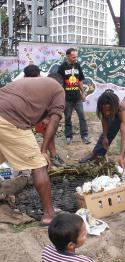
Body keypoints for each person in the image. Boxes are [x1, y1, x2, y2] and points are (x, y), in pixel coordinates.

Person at [0, 75, 65, 225]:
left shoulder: (35, 84)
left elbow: (42, 124)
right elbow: (54, 122)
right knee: (39, 165)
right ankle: (49, 215)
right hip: (11, 118)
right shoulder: (59, 90)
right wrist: (43, 151)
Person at [79, 89, 125, 168]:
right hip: (118, 108)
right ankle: (97, 153)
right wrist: (105, 137)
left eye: (109, 110)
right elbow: (105, 119)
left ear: (114, 107)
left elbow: (124, 133)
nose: (107, 113)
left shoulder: (122, 107)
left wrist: (121, 155)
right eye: (104, 111)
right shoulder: (104, 104)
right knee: (110, 128)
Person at [23, 65, 66, 167]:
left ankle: (52, 156)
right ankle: (43, 157)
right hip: (25, 116)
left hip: (37, 115)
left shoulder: (46, 85)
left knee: (48, 131)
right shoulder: (33, 86)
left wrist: (47, 118)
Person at [57, 48, 89, 145]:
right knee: (67, 117)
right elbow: (59, 81)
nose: (75, 58)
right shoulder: (62, 67)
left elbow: (80, 80)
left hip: (77, 97)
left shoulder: (78, 66)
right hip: (67, 98)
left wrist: (83, 93)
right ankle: (68, 136)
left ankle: (84, 136)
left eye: (76, 56)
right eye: (73, 57)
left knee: (82, 116)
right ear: (68, 56)